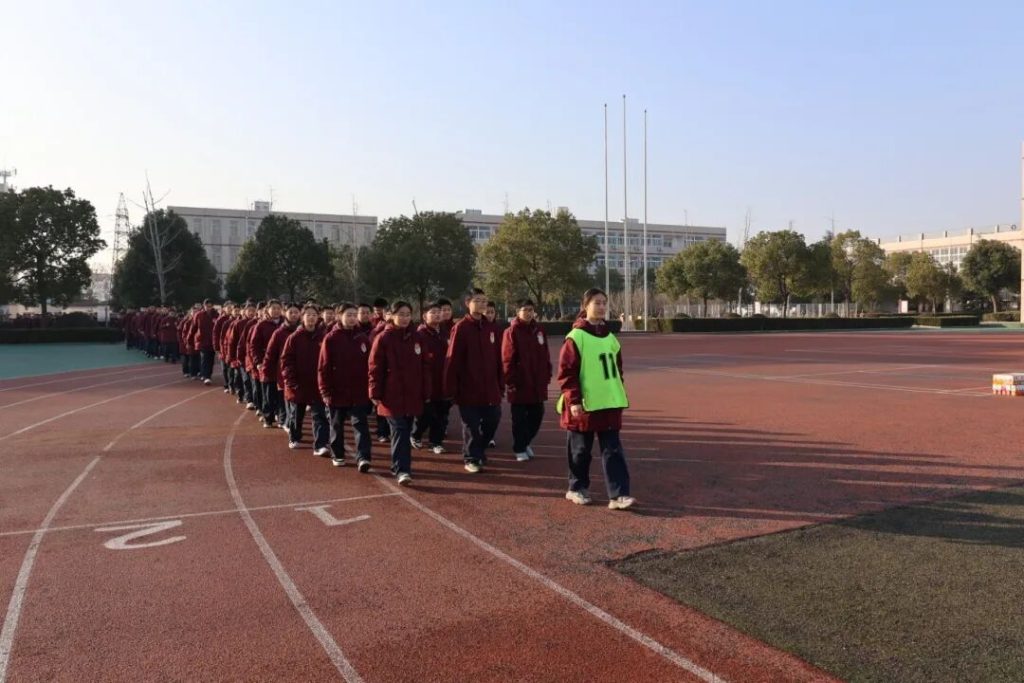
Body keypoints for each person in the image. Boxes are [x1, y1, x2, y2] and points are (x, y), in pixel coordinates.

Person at [557, 288, 634, 510]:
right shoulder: (576, 337)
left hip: (609, 403)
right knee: (580, 450)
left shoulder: (610, 337)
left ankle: (619, 495)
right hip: (584, 405)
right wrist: (574, 400)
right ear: (585, 306)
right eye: (596, 303)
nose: (601, 307)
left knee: (613, 450)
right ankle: (576, 488)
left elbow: (618, 370)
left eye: (603, 303)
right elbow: (567, 373)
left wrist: (617, 391)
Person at [368, 301, 430, 485]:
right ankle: (403, 470)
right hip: (391, 395)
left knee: (404, 430)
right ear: (392, 315)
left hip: (412, 394)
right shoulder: (383, 338)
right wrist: (374, 392)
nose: (404, 318)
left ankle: (397, 465)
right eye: (401, 314)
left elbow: (425, 366)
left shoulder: (417, 337)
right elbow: (374, 367)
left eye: (407, 314)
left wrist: (426, 390)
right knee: (400, 430)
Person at [444, 288, 503, 474]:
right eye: (477, 300)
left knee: (493, 420)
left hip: (490, 388)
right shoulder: (461, 328)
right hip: (468, 388)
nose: (482, 304)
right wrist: (450, 388)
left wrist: (500, 383)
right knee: (471, 426)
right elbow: (452, 360)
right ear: (467, 303)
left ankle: (478, 450)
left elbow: (498, 358)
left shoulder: (491, 327)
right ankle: (471, 457)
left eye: (484, 300)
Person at [318, 303, 372, 471]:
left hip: (358, 391)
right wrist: (325, 390)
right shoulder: (331, 338)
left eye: (354, 315)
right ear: (339, 316)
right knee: (336, 425)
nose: (352, 318)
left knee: (360, 424)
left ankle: (363, 457)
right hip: (337, 391)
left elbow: (370, 364)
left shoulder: (362, 338)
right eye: (348, 315)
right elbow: (323, 367)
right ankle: (338, 454)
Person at [502, 298, 552, 462]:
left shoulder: (539, 330)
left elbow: (545, 354)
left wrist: (547, 373)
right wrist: (510, 380)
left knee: (537, 415)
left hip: (537, 382)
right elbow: (507, 359)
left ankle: (525, 442)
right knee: (519, 419)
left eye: (531, 310)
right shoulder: (511, 332)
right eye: (525, 310)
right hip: (520, 383)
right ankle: (519, 448)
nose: (529, 313)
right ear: (518, 312)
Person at [280, 304, 330, 454]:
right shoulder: (294, 337)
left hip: (317, 383)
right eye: (308, 315)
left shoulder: (323, 336)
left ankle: (320, 445)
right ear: (302, 317)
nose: (311, 318)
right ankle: (294, 437)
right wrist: (291, 380)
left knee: (320, 415)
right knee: (297, 414)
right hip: (298, 383)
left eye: (314, 315)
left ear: (318, 317)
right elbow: (286, 361)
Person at [413, 301, 451, 454]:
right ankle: (416, 434)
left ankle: (436, 442)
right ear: (424, 316)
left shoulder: (445, 332)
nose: (437, 315)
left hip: (443, 380)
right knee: (426, 414)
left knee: (442, 414)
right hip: (427, 381)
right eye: (433, 312)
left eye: (438, 312)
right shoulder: (419, 335)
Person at [265, 302, 300, 431]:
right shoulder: (279, 333)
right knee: (284, 398)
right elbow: (270, 354)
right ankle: (284, 420)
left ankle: (289, 422)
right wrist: (266, 370)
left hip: (301, 371)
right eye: (291, 312)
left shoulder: (304, 331)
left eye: (296, 312)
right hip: (283, 372)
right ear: (285, 313)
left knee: (297, 401)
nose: (294, 315)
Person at [250, 300, 284, 428]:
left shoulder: (285, 324)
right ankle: (268, 418)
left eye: (278, 308)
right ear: (268, 310)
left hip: (282, 363)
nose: (276, 311)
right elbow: (254, 345)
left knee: (282, 393)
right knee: (268, 392)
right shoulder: (261, 325)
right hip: (267, 363)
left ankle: (281, 417)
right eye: (273, 308)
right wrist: (258, 362)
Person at [193, 299, 218, 385]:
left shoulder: (216, 315)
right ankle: (206, 376)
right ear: (204, 306)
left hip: (212, 341)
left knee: (211, 359)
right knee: (204, 358)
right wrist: (190, 339)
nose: (208, 308)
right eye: (207, 306)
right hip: (202, 341)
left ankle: (208, 374)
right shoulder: (199, 315)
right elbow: (194, 327)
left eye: (210, 306)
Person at [213, 302, 234, 390]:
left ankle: (232, 384)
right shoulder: (221, 320)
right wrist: (217, 347)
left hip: (232, 347)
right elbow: (216, 334)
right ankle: (226, 384)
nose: (230, 309)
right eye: (228, 308)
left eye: (231, 308)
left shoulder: (235, 319)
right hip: (222, 347)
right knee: (225, 367)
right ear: (224, 309)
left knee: (232, 367)